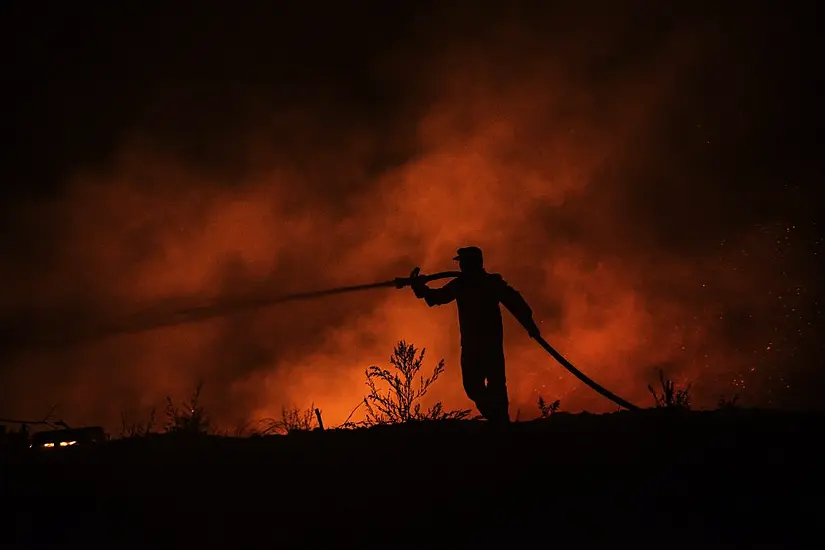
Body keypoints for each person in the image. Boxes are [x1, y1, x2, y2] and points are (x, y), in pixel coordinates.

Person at [409, 246, 542, 424]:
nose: (461, 267)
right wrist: (419, 287)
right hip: (475, 345)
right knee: (475, 387)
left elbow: (514, 302)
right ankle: (498, 419)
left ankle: (501, 423)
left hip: (486, 344)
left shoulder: (488, 283)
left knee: (492, 386)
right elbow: (436, 298)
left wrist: (530, 325)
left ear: (471, 264)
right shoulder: (462, 284)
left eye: (463, 263)